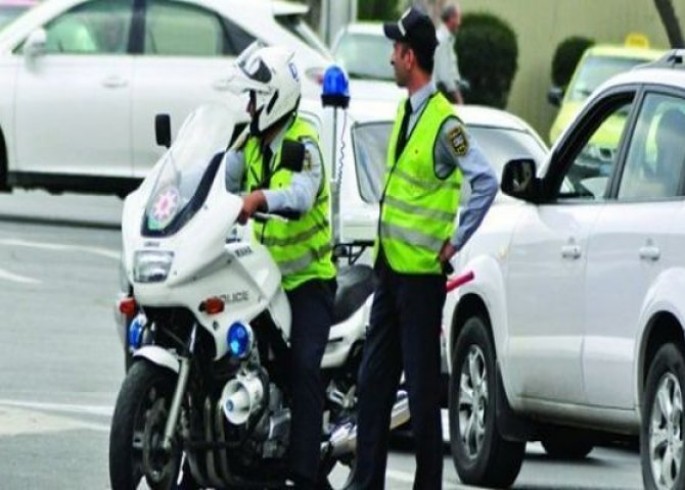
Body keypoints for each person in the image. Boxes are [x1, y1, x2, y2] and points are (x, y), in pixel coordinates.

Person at [345, 7, 498, 490]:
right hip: (389, 272)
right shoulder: (404, 112)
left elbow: (485, 180)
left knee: (421, 392)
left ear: (410, 57)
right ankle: (366, 482)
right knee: (373, 386)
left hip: (421, 281)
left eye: (395, 49)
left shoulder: (443, 122)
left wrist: (455, 243)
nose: (390, 55)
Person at [224, 43, 336, 490]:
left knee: (304, 366)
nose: (248, 106)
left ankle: (302, 476)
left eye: (254, 97)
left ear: (275, 98)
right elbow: (219, 175)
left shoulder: (302, 140)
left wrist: (261, 199)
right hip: (258, 278)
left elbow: (302, 195)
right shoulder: (249, 138)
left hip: (306, 282)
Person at [434, 2, 464, 104]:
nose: (459, 23)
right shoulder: (442, 40)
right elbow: (445, 75)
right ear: (451, 18)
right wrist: (458, 98)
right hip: (442, 93)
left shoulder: (447, 39)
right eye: (458, 18)